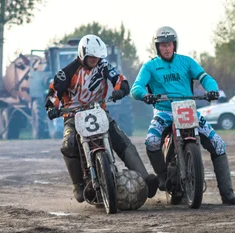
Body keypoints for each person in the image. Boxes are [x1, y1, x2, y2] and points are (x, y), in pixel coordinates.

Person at [130, 26, 235, 205]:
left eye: (169, 44)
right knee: (151, 141)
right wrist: (145, 95)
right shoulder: (150, 66)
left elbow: (205, 77)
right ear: (157, 47)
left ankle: (227, 194)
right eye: (162, 45)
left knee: (219, 144)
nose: (166, 48)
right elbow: (136, 88)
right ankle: (163, 178)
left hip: (188, 109)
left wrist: (212, 90)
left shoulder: (187, 62)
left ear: (175, 45)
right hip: (164, 112)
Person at [45, 35, 159, 202]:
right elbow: (54, 92)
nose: (94, 60)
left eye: (97, 57)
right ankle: (78, 185)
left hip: (98, 110)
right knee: (68, 143)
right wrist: (51, 107)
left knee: (120, 139)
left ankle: (145, 178)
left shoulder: (103, 66)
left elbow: (119, 79)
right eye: (91, 57)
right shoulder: (67, 72)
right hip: (72, 115)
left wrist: (120, 89)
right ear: (82, 54)